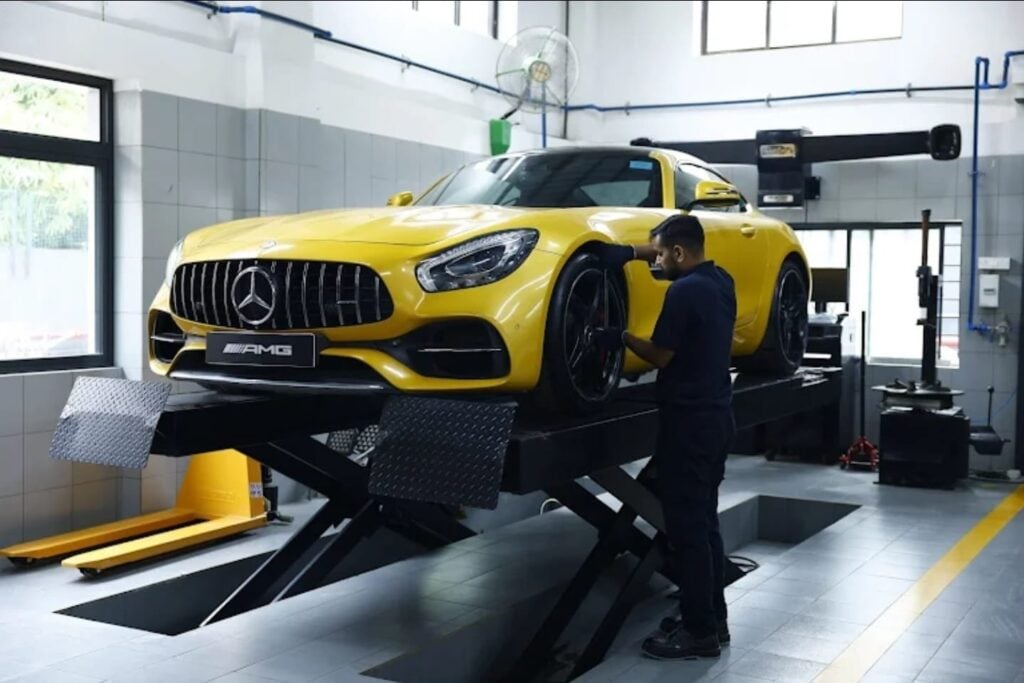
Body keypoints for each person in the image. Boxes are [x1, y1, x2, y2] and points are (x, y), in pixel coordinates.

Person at [592, 214, 737, 660]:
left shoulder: (683, 292)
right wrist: (629, 254)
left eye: (658, 254)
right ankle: (714, 619)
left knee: (688, 533)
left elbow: (659, 355)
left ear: (677, 253)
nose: (653, 261)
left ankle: (699, 634)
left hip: (687, 428)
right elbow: (671, 250)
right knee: (705, 524)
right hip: (716, 421)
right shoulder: (720, 281)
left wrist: (619, 337)